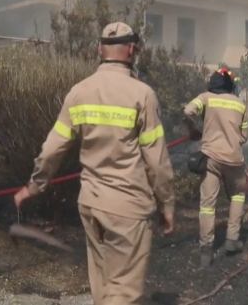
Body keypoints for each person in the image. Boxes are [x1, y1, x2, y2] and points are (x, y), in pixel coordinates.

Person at [14, 22, 176, 305]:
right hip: (128, 207)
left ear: (100, 49)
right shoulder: (142, 95)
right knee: (124, 294)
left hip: (91, 205)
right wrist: (167, 205)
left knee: (102, 289)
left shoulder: (79, 92)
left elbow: (53, 147)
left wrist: (34, 186)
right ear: (132, 50)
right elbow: (157, 161)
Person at [183, 70, 248, 268]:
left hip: (211, 159)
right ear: (230, 86)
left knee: (207, 204)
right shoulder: (240, 104)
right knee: (238, 195)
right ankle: (231, 240)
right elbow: (244, 136)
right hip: (234, 160)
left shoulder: (206, 98)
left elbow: (188, 111)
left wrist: (194, 130)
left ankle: (206, 250)